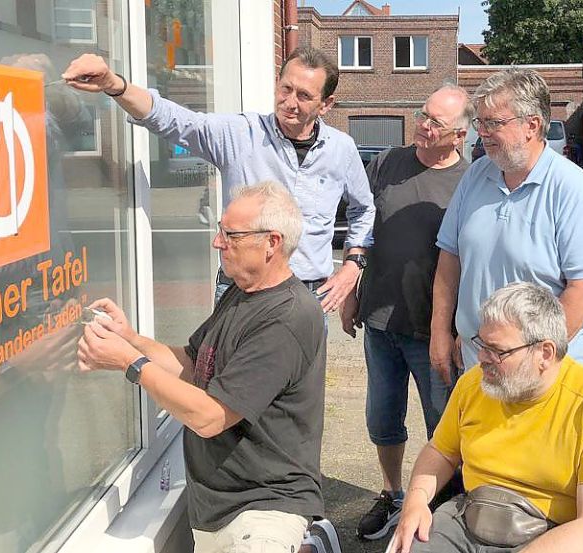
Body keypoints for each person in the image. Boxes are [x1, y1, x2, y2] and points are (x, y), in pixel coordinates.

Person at [77, 182, 327, 553]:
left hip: (262, 511)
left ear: (272, 242)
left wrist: (131, 363)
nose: (217, 242)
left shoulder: (286, 318)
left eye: (231, 234)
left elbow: (210, 417)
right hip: (218, 509)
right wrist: (129, 338)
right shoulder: (241, 295)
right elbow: (194, 365)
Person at [62, 46, 375, 310]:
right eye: (285, 89)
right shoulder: (239, 135)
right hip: (241, 292)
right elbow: (174, 121)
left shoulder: (341, 149)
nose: (290, 102)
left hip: (307, 294)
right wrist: (114, 84)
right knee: (227, 380)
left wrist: (352, 264)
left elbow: (364, 209)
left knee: (302, 384)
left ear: (326, 104)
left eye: (304, 95)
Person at [389, 282, 583, 553]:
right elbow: (441, 451)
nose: (482, 358)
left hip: (552, 533)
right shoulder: (475, 384)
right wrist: (416, 500)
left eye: (498, 351)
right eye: (482, 344)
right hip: (468, 518)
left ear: (545, 353)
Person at [339, 85, 474, 541]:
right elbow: (361, 224)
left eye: (436, 122)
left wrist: (455, 329)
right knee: (382, 416)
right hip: (380, 321)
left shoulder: (470, 182)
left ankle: (443, 507)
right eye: (423, 114)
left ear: (459, 135)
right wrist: (351, 286)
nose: (423, 125)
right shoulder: (387, 163)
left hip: (431, 329)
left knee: (443, 424)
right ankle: (392, 493)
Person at [430, 68, 583, 378]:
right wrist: (441, 332)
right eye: (480, 122)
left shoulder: (572, 188)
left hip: (543, 375)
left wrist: (528, 362)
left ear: (532, 125)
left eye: (493, 123)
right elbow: (450, 259)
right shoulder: (475, 174)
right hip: (480, 365)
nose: (482, 132)